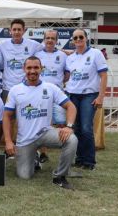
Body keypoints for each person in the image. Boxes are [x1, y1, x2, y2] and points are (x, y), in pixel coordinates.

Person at [3, 56, 78, 190]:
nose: (32, 71)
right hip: (25, 140)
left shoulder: (50, 88)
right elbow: (7, 116)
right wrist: (8, 141)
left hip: (45, 133)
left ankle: (59, 176)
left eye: (36, 67)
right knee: (24, 176)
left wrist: (69, 126)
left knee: (71, 139)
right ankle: (35, 159)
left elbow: (71, 106)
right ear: (24, 69)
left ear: (41, 68)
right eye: (29, 68)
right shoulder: (15, 90)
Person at [65, 28, 108, 170]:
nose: (78, 40)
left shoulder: (96, 53)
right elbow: (67, 76)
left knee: (86, 128)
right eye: (75, 38)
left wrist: (101, 96)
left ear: (86, 38)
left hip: (89, 95)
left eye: (80, 37)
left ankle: (89, 161)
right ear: (72, 40)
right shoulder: (70, 57)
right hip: (73, 95)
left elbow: (103, 76)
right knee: (76, 129)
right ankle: (80, 158)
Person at [35, 29, 68, 163]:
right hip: (40, 96)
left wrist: (57, 85)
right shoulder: (37, 54)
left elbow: (67, 74)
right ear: (44, 39)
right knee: (42, 125)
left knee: (61, 124)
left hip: (57, 96)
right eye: (47, 38)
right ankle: (43, 153)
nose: (49, 40)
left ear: (56, 40)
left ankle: (65, 154)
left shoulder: (63, 55)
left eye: (52, 38)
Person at [0, 18, 43, 101]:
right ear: (10, 30)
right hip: (8, 88)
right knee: (8, 113)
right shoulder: (1, 45)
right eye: (14, 29)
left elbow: (48, 50)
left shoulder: (33, 44)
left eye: (19, 29)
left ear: (24, 31)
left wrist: (65, 52)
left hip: (26, 87)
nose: (17, 32)